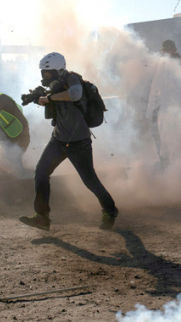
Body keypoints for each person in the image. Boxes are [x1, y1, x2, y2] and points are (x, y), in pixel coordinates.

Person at [19, 52, 119, 231]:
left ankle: (110, 210)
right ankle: (42, 217)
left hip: (78, 142)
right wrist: (35, 97)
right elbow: (50, 97)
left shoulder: (72, 78)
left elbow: (74, 94)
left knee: (90, 180)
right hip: (58, 140)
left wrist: (49, 98)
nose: (44, 76)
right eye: (43, 73)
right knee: (41, 173)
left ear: (57, 70)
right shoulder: (53, 86)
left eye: (47, 73)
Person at [146, 39, 181, 166]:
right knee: (160, 130)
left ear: (173, 50)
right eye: (164, 50)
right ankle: (166, 157)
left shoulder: (171, 63)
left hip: (168, 105)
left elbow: (158, 86)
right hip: (166, 104)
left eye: (167, 50)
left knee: (167, 131)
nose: (165, 53)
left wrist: (151, 107)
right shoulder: (168, 62)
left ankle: (167, 159)